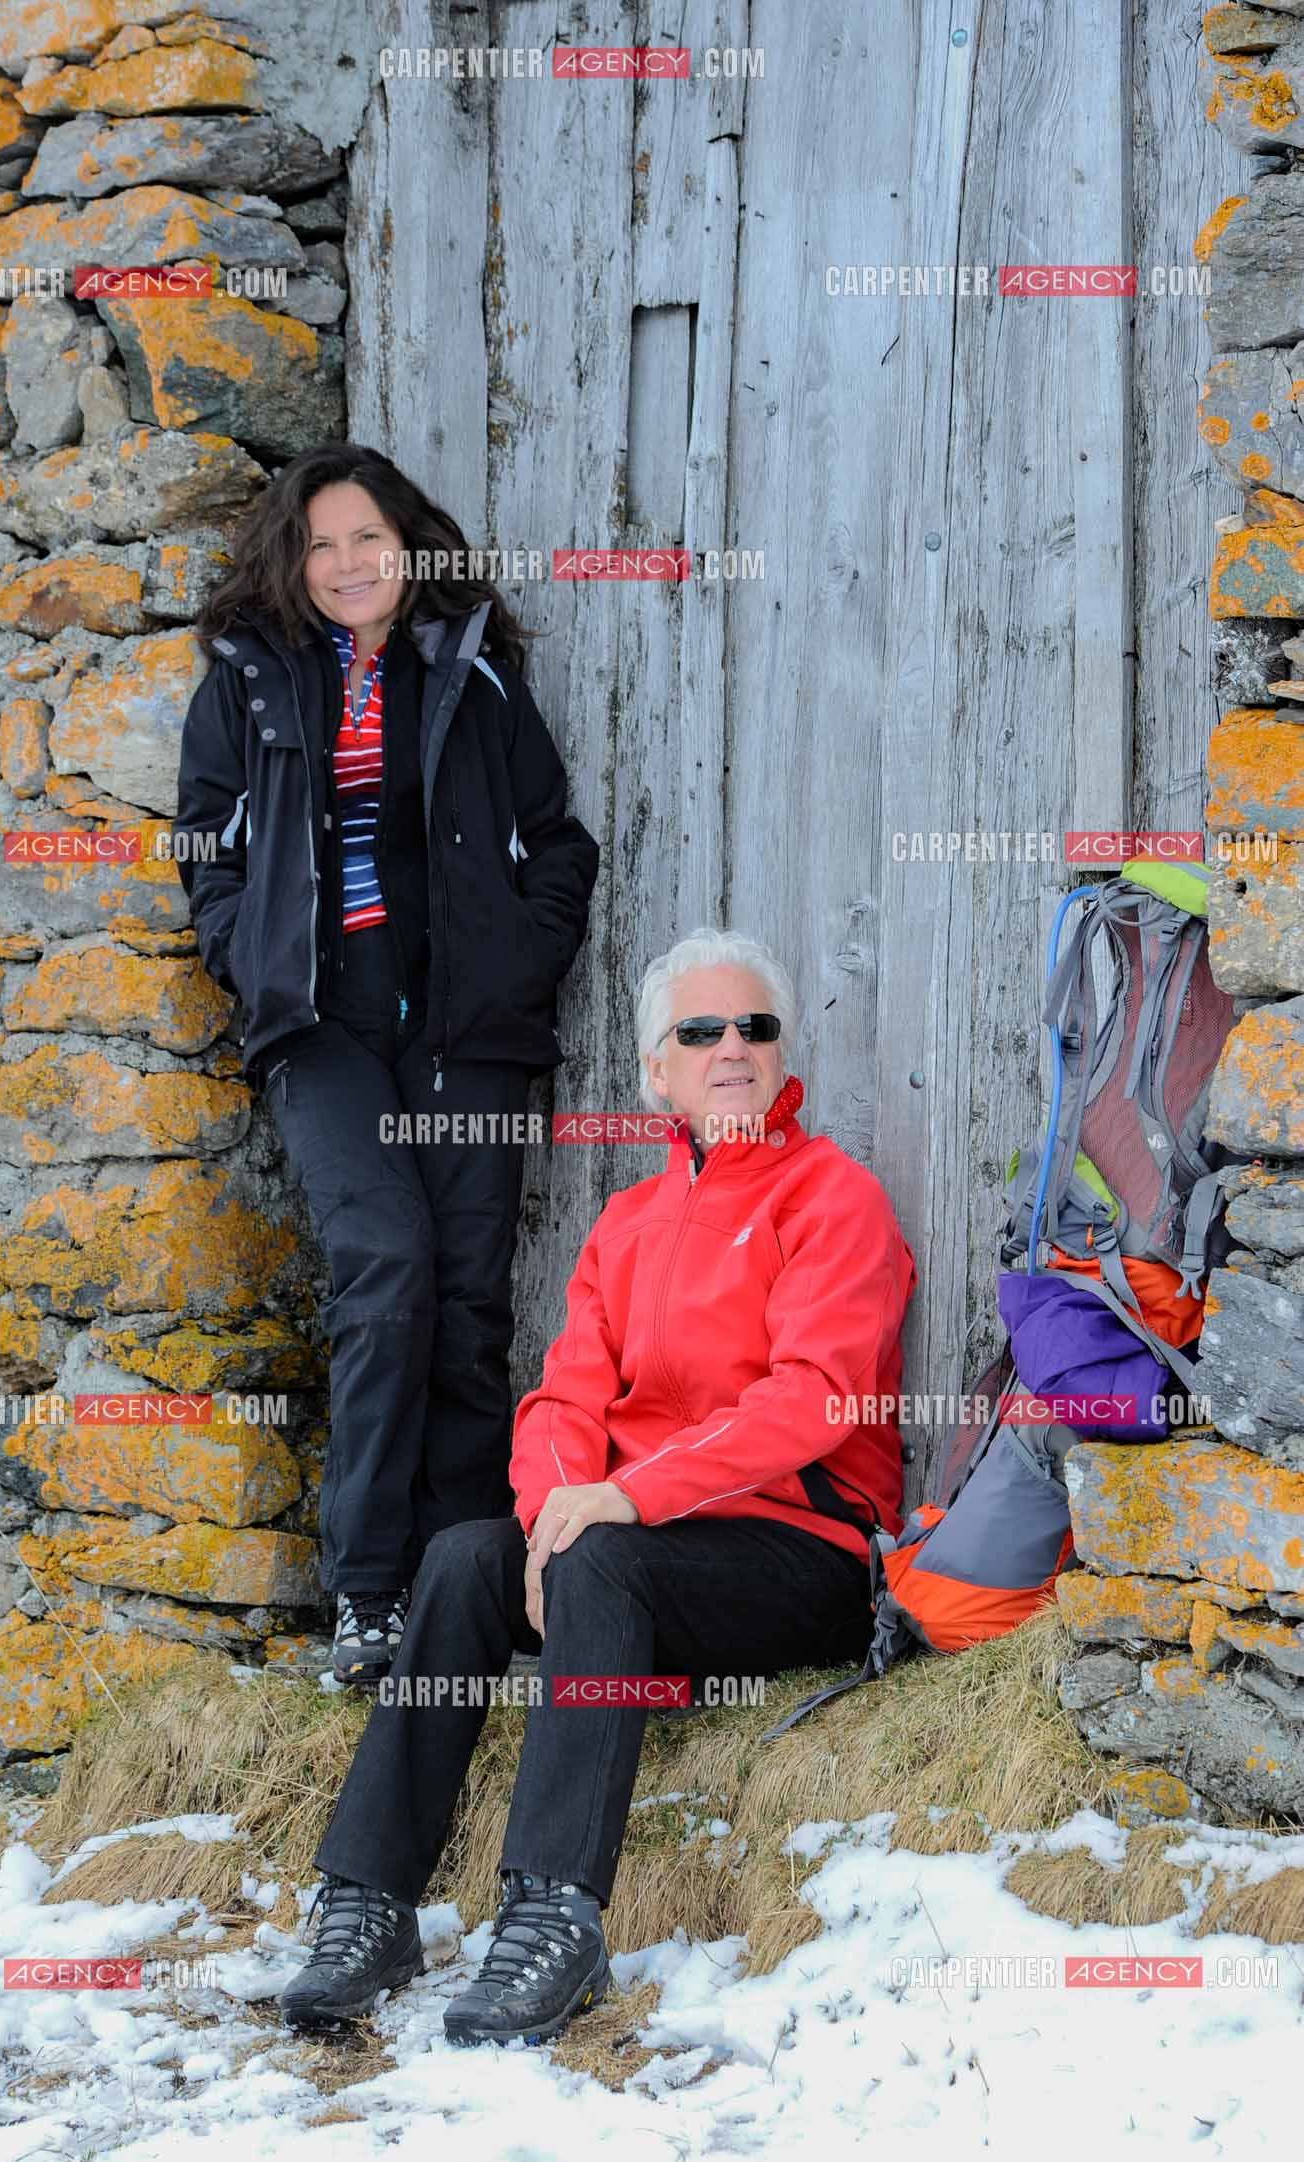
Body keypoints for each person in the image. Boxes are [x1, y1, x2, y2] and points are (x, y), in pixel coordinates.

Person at [279, 927, 918, 2048]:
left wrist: (626, 1499)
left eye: (756, 1028)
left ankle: (552, 1912)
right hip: (637, 1559)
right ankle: (370, 1900)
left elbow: (812, 1401)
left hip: (802, 1551)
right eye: (702, 1030)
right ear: (655, 1072)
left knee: (603, 1549)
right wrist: (549, 1518)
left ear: (781, 1056)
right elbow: (563, 1403)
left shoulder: (833, 1199)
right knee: (464, 1556)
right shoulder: (626, 1227)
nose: (733, 1048)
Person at [174, 446, 599, 1686]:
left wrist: (522, 957)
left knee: (467, 1302)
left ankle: (450, 1590)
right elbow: (209, 848)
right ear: (289, 564)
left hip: (466, 1027)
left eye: (368, 537)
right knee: (386, 1268)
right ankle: (365, 1592)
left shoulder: (471, 669)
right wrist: (245, 956)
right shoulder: (248, 683)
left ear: (407, 544)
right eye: (321, 545)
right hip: (323, 1027)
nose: (349, 563)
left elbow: (557, 838)